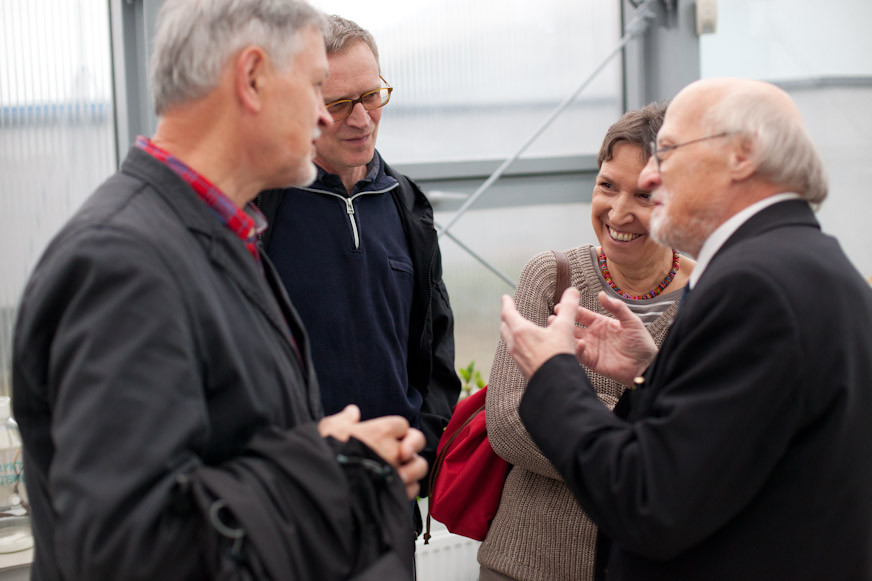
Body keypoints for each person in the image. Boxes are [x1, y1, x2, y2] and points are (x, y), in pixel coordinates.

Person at [11, 1, 428, 579]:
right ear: (252, 79)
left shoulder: (215, 235)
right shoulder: (123, 265)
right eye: (315, 89)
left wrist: (320, 449)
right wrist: (335, 466)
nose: (328, 119)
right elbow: (127, 551)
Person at [499, 78, 872, 580]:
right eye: (610, 181)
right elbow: (733, 444)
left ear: (742, 155)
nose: (651, 177)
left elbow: (651, 499)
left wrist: (553, 373)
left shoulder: (753, 287)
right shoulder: (812, 265)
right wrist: (649, 373)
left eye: (668, 151)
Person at [256, 14, 460, 532]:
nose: (362, 119)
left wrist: (422, 448)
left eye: (372, 96)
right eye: (339, 104)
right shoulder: (259, 210)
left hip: (390, 500)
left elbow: (434, 344)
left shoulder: (405, 203)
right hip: (292, 506)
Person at [478, 102, 693, 581]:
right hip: (524, 565)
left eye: (644, 195)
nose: (618, 212)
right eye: (607, 185)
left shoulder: (709, 294)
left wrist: (559, 402)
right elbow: (508, 423)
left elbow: (694, 445)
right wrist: (629, 445)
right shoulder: (552, 275)